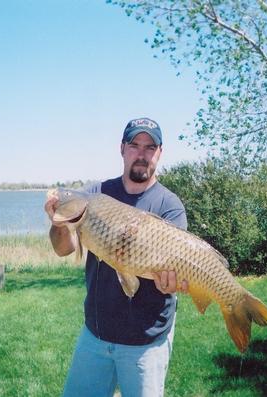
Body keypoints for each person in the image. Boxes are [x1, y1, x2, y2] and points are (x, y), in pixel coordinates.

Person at [44, 117, 189, 397]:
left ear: (160, 152)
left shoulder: (169, 205)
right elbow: (63, 249)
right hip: (96, 334)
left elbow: (172, 276)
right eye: (134, 145)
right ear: (122, 148)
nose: (141, 154)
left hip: (146, 340)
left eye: (150, 147)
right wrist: (58, 222)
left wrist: (171, 282)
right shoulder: (96, 194)